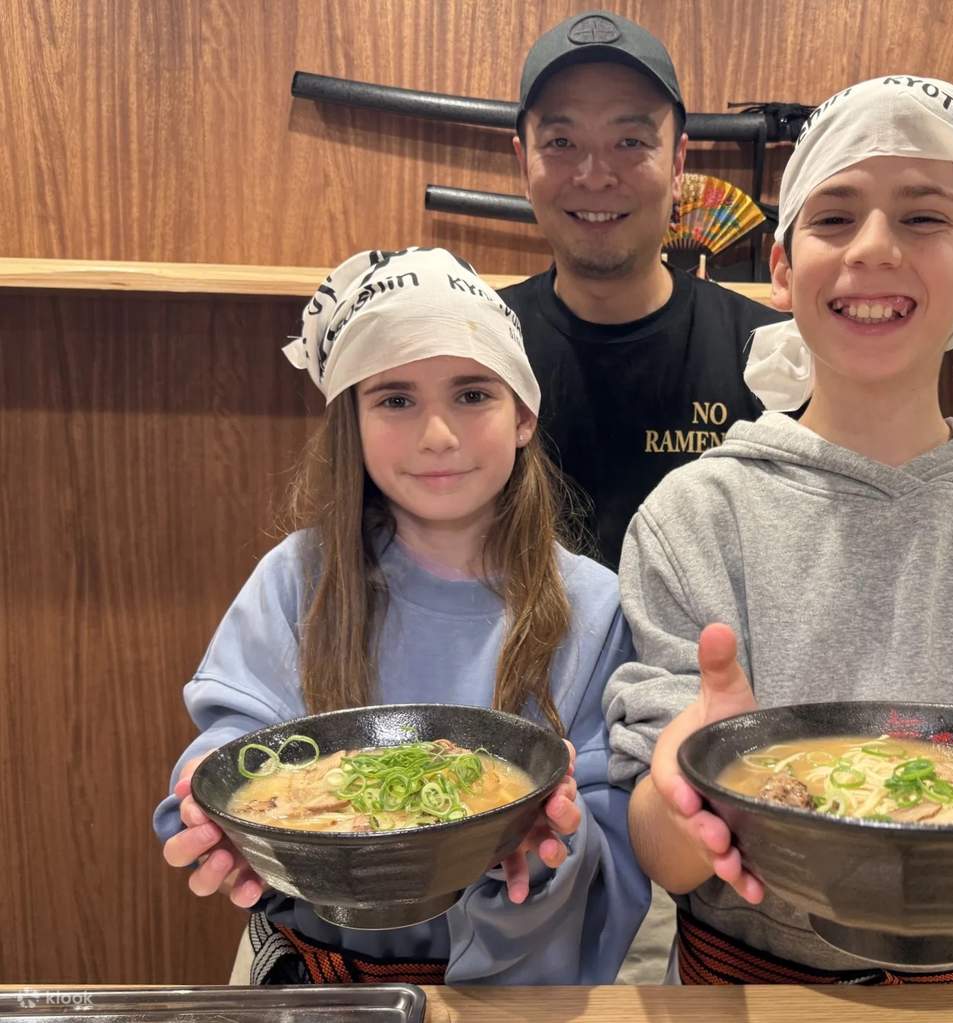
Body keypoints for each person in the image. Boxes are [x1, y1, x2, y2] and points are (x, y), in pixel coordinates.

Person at [604, 76, 953, 984]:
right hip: (743, 995)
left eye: (921, 219)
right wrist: (690, 778)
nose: (873, 249)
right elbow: (661, 849)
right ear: (784, 270)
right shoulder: (696, 513)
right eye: (833, 217)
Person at [153, 247, 649, 985]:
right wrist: (208, 784)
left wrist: (553, 843)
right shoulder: (299, 578)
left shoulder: (594, 604)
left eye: (473, 394)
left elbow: (611, 821)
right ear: (350, 420)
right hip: (318, 982)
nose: (437, 435)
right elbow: (239, 735)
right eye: (395, 399)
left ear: (523, 414)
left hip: (515, 992)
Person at [500, 10, 787, 568]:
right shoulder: (480, 346)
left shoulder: (772, 355)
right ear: (523, 162)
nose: (595, 175)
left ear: (678, 160)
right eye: (560, 141)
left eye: (630, 141)